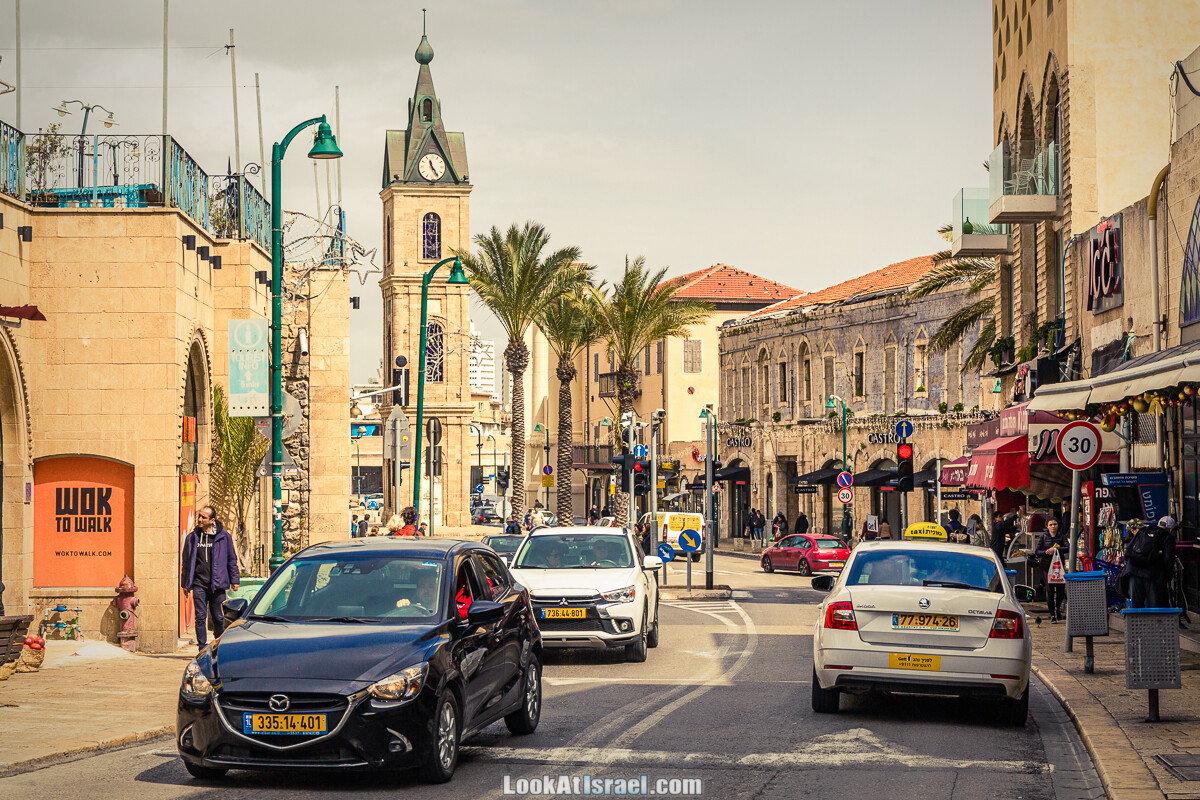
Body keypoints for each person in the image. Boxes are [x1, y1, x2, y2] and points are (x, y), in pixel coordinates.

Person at [181, 505, 239, 651]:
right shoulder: (192, 537)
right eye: (199, 516)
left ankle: (218, 646)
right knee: (200, 616)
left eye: (203, 517)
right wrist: (185, 583)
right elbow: (186, 562)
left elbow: (231, 559)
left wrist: (235, 579)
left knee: (218, 617)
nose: (199, 519)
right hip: (199, 583)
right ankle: (201, 647)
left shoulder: (223, 536)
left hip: (218, 584)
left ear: (212, 520)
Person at [1125, 516, 1177, 608]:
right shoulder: (1167, 538)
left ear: (1158, 524)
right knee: (1155, 607)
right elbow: (1169, 559)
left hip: (1134, 572)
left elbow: (1129, 550)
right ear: (1171, 529)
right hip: (1153, 576)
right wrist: (1167, 576)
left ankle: (1136, 622)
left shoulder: (1143, 531)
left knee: (1136, 607)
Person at [1035, 518, 1069, 621]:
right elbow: (1037, 551)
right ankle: (1052, 614)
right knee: (1049, 591)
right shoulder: (1044, 537)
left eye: (1055, 524)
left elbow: (1068, 548)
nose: (1053, 526)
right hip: (1047, 567)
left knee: (1060, 591)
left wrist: (1056, 550)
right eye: (1051, 525)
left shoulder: (1061, 536)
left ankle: (1057, 608)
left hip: (1059, 568)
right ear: (1047, 526)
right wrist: (1046, 552)